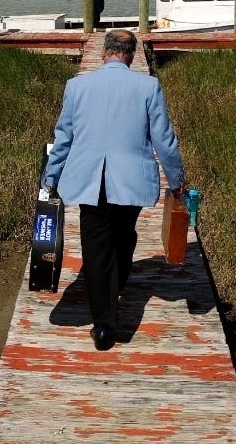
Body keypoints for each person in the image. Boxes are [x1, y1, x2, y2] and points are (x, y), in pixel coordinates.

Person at [42, 29, 186, 351]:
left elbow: (63, 138)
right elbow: (164, 140)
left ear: (105, 52)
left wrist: (49, 179)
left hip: (90, 181)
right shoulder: (147, 86)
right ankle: (117, 284)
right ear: (132, 55)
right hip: (131, 179)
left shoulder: (77, 87)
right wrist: (177, 181)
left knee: (96, 249)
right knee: (124, 236)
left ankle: (104, 324)